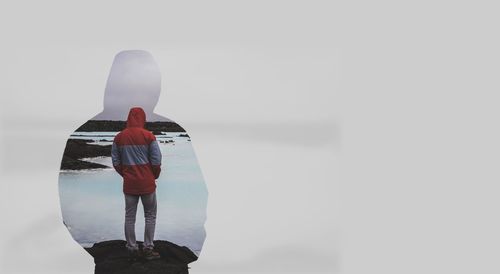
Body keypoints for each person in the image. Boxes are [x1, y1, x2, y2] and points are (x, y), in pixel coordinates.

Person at [111, 106, 162, 260]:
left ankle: (132, 248)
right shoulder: (149, 136)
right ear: (143, 119)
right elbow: (156, 160)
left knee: (129, 217)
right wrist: (154, 175)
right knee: (150, 216)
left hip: (129, 184)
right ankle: (148, 248)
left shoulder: (119, 137)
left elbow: (115, 161)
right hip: (147, 184)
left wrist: (126, 174)